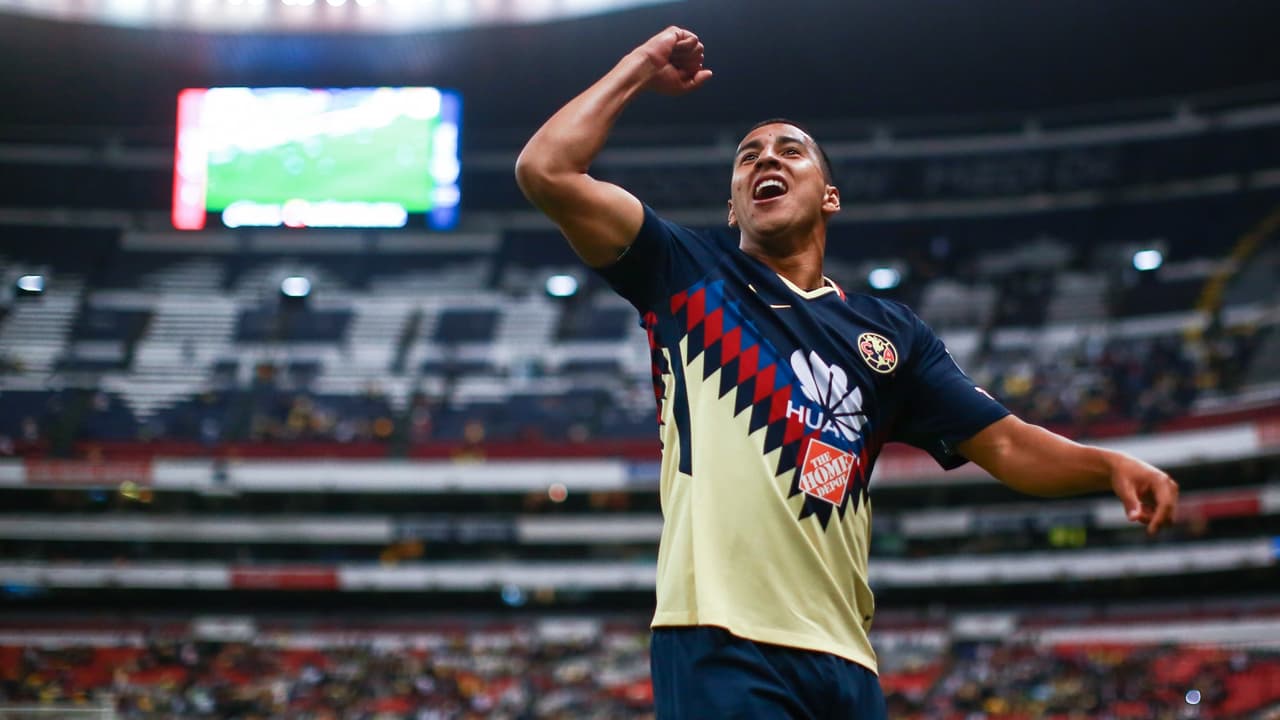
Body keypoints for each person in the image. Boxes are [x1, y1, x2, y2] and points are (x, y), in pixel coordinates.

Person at [515, 26, 1179, 719]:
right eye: (748, 157)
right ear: (733, 206)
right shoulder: (684, 273)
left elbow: (1007, 444)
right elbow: (546, 171)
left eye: (789, 150)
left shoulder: (891, 336)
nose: (766, 159)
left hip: (845, 658)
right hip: (719, 639)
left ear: (829, 196)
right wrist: (640, 65)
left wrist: (1107, 465)